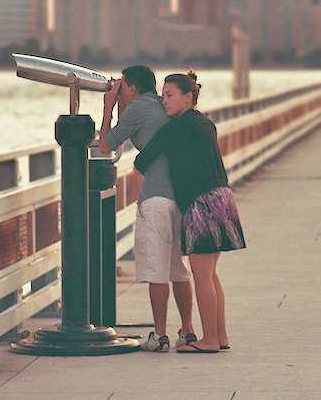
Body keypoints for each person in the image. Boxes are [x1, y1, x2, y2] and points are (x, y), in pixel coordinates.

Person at [134, 71, 246, 353]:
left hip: (201, 203)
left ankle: (208, 340)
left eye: (170, 96)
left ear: (188, 97)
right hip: (222, 197)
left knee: (202, 273)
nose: (164, 102)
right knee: (210, 273)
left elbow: (142, 160)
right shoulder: (205, 123)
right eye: (162, 96)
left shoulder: (177, 127)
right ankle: (219, 336)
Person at [98, 66, 195, 353]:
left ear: (130, 87)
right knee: (179, 268)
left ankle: (160, 335)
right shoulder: (162, 107)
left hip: (156, 198)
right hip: (181, 195)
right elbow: (124, 136)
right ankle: (187, 331)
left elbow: (105, 146)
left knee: (156, 269)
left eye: (121, 87)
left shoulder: (138, 108)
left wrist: (107, 107)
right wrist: (121, 108)